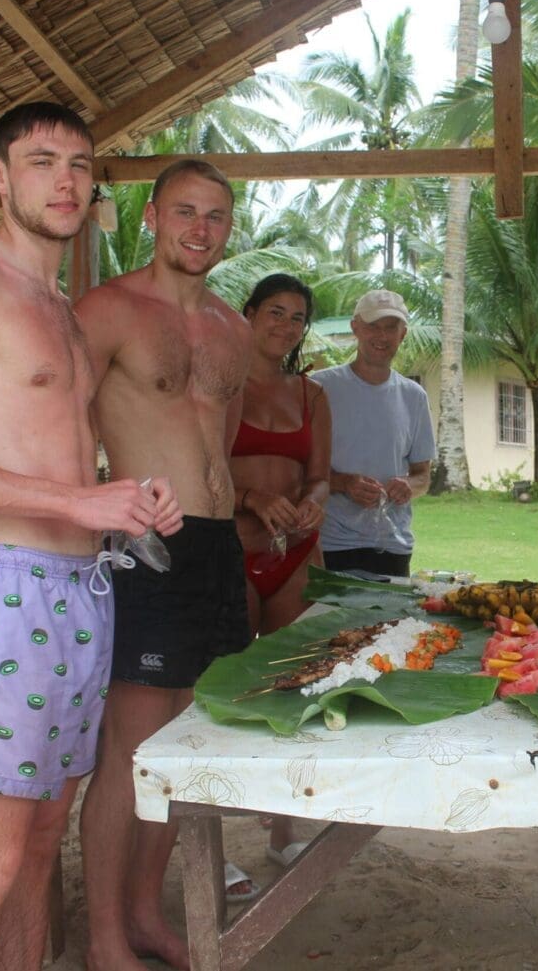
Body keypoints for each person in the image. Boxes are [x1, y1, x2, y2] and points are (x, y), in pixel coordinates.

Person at [0, 102, 182, 971]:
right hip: (3, 589)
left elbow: (50, 453)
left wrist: (123, 499)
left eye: (81, 165)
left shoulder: (56, 306)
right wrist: (75, 502)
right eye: (43, 160)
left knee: (45, 835)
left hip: (79, 591)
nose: (65, 179)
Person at [75, 159, 254, 971]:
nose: (200, 229)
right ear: (151, 217)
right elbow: (58, 424)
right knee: (133, 750)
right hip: (143, 548)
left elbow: (220, 447)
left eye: (215, 216)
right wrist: (98, 503)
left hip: (215, 549)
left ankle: (146, 913)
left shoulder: (232, 329)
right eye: (184, 211)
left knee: (187, 742)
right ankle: (105, 935)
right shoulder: (108, 310)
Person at [231, 272, 331, 866]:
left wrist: (315, 498)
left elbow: (320, 471)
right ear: (248, 313)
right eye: (275, 312)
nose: (286, 326)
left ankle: (284, 831)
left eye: (297, 317)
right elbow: (206, 467)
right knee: (227, 688)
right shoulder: (220, 385)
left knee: (294, 685)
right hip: (233, 551)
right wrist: (250, 499)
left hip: (296, 552)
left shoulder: (312, 395)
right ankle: (215, 835)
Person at [313, 289, 434, 577]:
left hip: (393, 546)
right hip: (330, 544)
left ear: (403, 333)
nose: (382, 336)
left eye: (391, 327)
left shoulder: (414, 396)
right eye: (373, 326)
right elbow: (295, 470)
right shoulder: (320, 388)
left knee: (391, 623)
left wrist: (408, 485)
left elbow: (423, 476)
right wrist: (344, 483)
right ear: (355, 327)